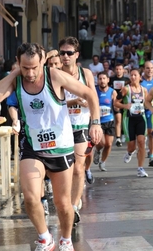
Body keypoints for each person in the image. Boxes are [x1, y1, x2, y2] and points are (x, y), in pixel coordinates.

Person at [0, 42, 102, 251]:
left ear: (43, 62)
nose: (30, 73)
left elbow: (90, 95)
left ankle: (65, 240)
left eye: (34, 68)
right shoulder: (18, 79)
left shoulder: (54, 76)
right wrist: (13, 75)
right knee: (30, 197)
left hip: (61, 147)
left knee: (63, 204)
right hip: (32, 147)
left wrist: (95, 123)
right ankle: (45, 238)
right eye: (25, 68)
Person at [58, 36, 97, 227]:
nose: (65, 56)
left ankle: (73, 208)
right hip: (61, 126)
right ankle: (67, 201)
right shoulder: (54, 74)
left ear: (77, 55)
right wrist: (72, 102)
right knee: (65, 168)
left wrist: (95, 123)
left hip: (80, 124)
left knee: (79, 166)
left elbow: (93, 98)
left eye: (69, 53)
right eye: (62, 53)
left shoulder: (86, 74)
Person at [115, 68, 149, 177]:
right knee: (132, 146)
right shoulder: (126, 89)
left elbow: (147, 103)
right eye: (131, 75)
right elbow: (116, 102)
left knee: (141, 142)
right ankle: (130, 152)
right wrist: (125, 106)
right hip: (129, 119)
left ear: (140, 77)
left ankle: (140, 168)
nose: (133, 77)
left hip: (141, 118)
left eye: (135, 75)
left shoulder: (144, 90)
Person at [92, 72, 117, 172]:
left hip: (109, 120)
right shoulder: (94, 91)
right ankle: (97, 150)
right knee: (101, 143)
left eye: (104, 78)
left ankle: (103, 162)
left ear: (108, 80)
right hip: (98, 121)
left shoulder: (112, 92)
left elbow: (116, 105)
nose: (102, 81)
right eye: (100, 79)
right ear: (97, 80)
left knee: (109, 144)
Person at [141, 61, 153, 167]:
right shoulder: (140, 82)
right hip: (142, 111)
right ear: (144, 69)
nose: (149, 70)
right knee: (144, 135)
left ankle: (152, 155)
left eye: (151, 68)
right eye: (147, 68)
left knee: (152, 133)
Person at [109, 64, 130, 147]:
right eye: (117, 69)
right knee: (118, 119)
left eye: (120, 69)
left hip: (125, 102)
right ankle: (118, 138)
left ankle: (124, 133)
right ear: (115, 70)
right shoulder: (111, 79)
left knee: (124, 119)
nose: (118, 70)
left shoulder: (127, 80)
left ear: (123, 70)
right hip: (116, 101)